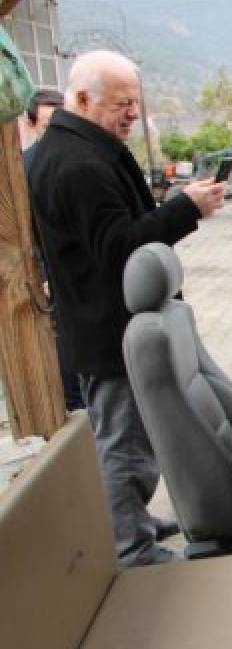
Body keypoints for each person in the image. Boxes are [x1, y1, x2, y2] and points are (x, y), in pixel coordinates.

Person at [28, 50, 226, 566]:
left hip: (110, 325)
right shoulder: (77, 164)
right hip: (108, 331)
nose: (133, 114)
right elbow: (121, 251)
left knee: (133, 439)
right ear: (83, 98)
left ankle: (131, 519)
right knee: (123, 447)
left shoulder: (88, 148)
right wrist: (186, 210)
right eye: (122, 103)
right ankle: (130, 549)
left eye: (135, 103)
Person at [19, 88, 82, 412]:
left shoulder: (79, 160)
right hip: (47, 277)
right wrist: (41, 274)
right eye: (47, 125)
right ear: (31, 125)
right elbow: (23, 232)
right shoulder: (21, 169)